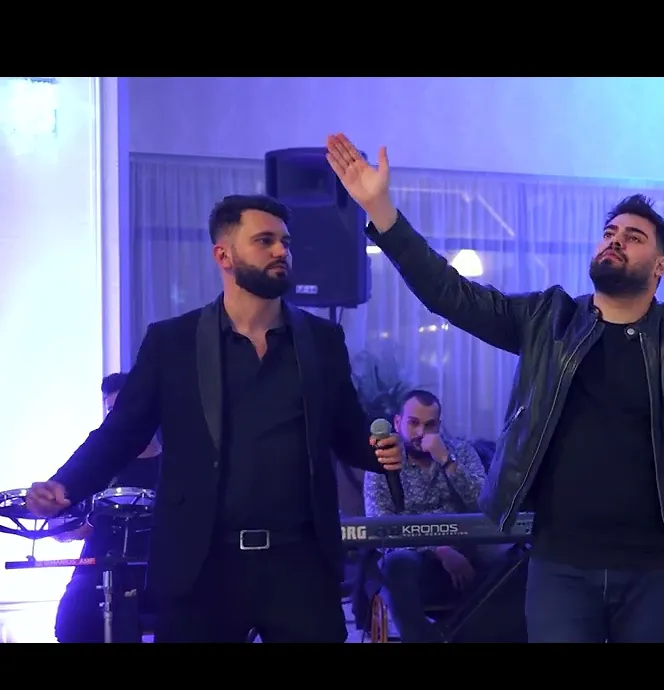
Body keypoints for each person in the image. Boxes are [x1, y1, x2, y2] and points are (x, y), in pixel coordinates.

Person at [325, 134, 664, 643]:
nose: (615, 240)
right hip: (561, 564)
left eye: (633, 236)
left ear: (660, 266)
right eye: (609, 232)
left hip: (660, 568)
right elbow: (451, 294)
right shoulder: (548, 319)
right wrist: (381, 211)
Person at [25, 194, 404, 643]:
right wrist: (65, 485)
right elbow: (122, 432)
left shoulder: (322, 340)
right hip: (202, 566)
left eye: (285, 242)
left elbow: (345, 429)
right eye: (264, 241)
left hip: (299, 565)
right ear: (223, 255)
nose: (281, 251)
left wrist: (380, 451)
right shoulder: (173, 342)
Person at [364, 389, 493, 643]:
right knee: (397, 564)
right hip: (413, 559)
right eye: (413, 423)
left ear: (439, 426)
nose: (421, 433)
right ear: (398, 423)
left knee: (515, 564)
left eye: (430, 425)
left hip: (465, 554)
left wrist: (446, 460)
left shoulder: (461, 453)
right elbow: (381, 527)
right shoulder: (382, 460)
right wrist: (439, 549)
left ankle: (457, 634)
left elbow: (485, 505)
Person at [53, 373, 162, 643]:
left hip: (155, 570)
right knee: (71, 624)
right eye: (111, 411)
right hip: (95, 569)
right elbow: (58, 528)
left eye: (122, 410)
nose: (118, 419)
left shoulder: (174, 466)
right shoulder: (97, 467)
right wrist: (72, 528)